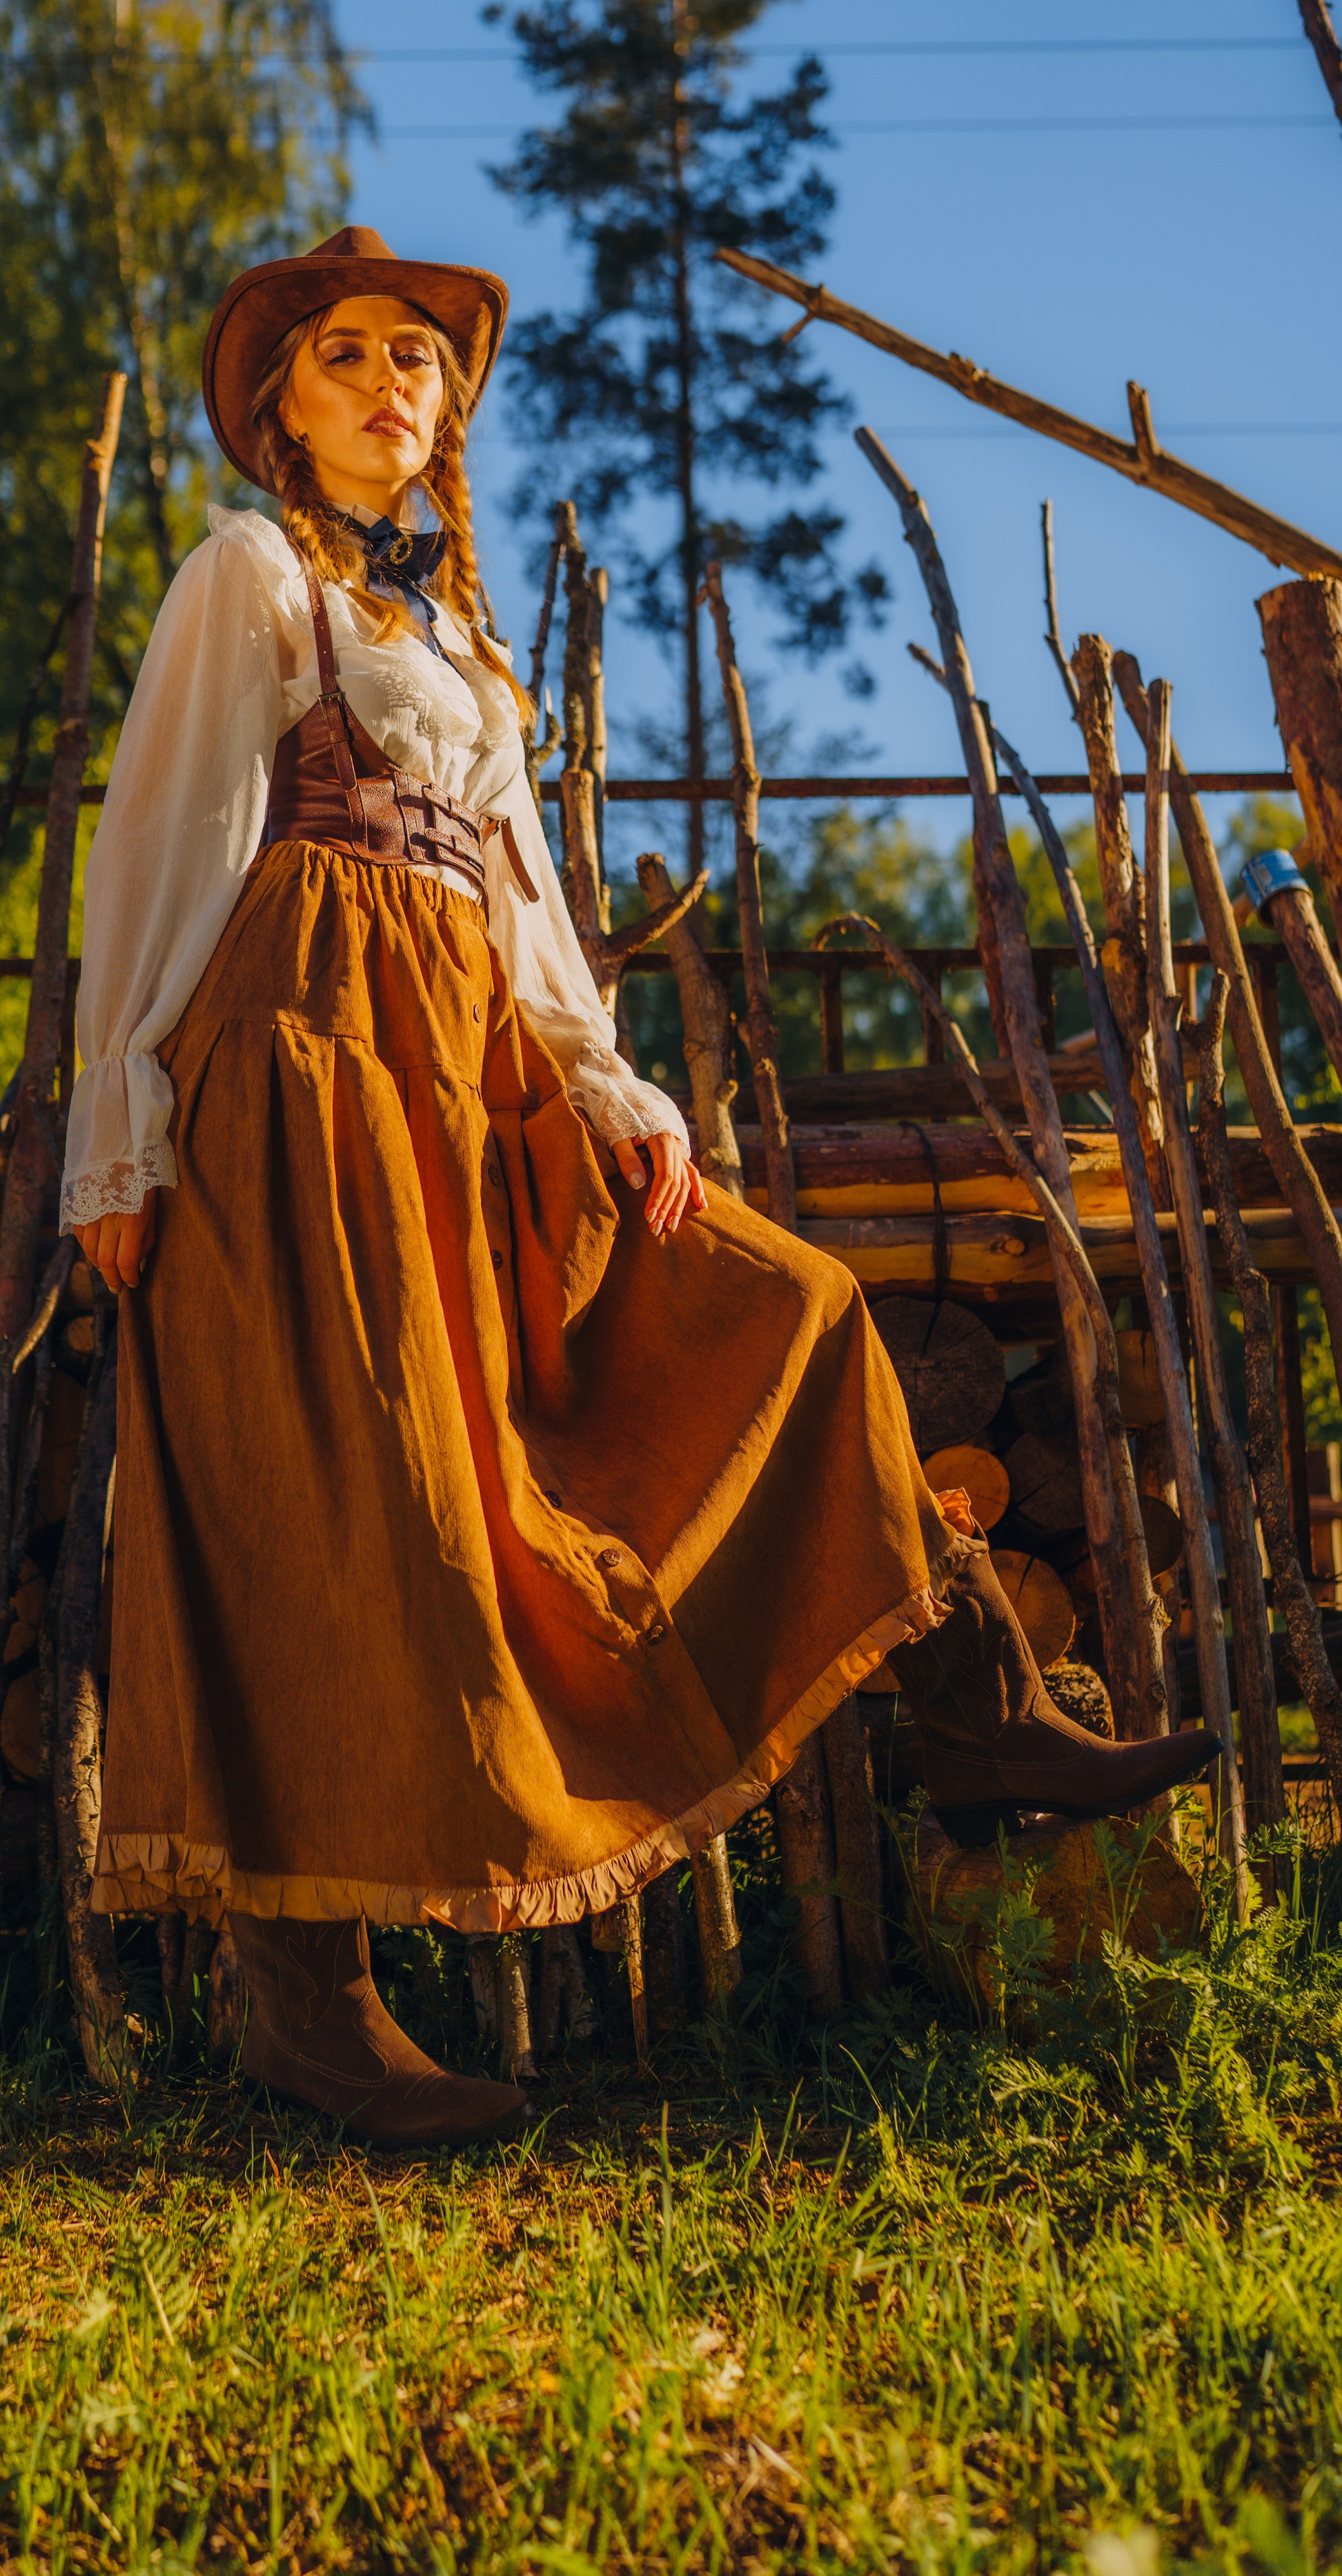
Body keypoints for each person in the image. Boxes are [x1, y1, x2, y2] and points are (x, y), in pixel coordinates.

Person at [64, 226, 1216, 2148]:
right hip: (304, 1058)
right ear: (284, 403)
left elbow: (519, 899)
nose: (389, 383)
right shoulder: (249, 577)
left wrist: (609, 1082)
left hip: (477, 1075)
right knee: (357, 1496)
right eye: (346, 355)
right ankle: (311, 2011)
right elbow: (172, 846)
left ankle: (973, 1709)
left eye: (418, 361)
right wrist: (122, 1125)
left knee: (788, 1307)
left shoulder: (465, 650)